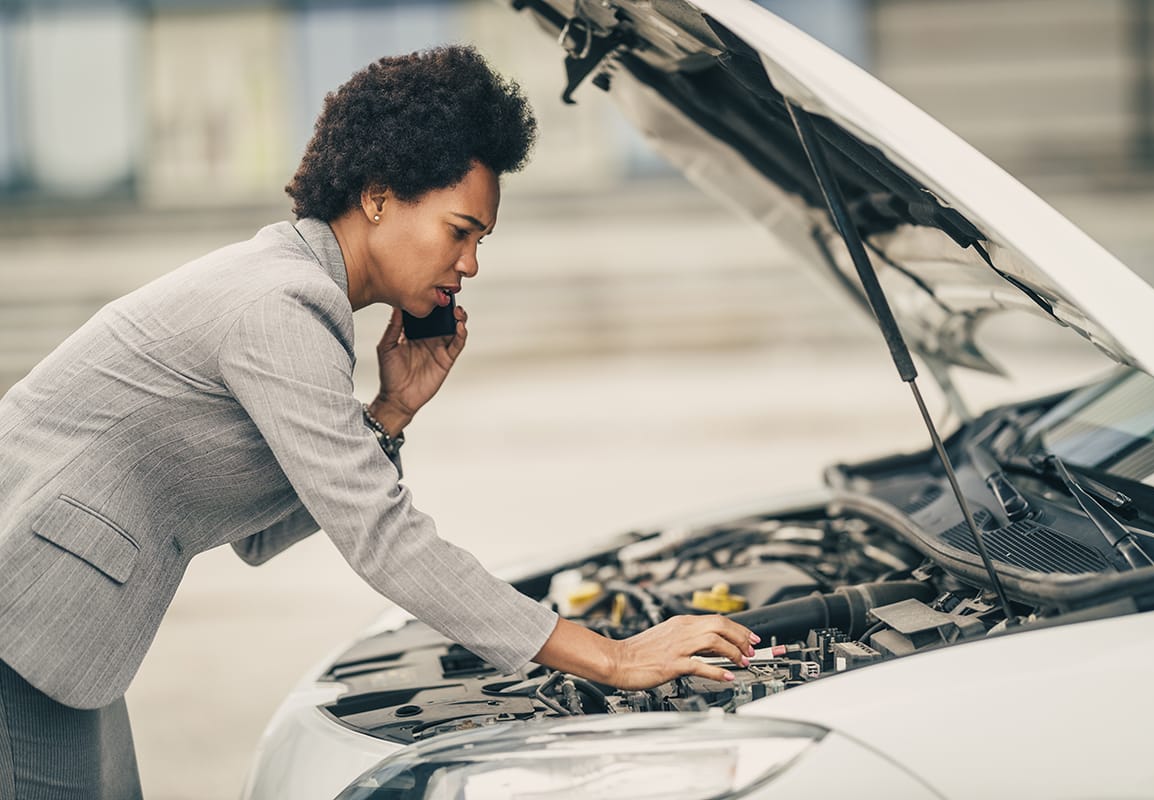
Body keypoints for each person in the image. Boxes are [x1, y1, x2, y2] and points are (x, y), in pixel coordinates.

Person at [0, 46, 757, 798]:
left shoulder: (291, 290)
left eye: (480, 241)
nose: (470, 264)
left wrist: (390, 413)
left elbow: (257, 536)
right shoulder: (283, 306)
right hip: (22, 612)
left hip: (60, 627)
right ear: (376, 194)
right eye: (460, 230)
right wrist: (611, 657)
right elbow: (381, 536)